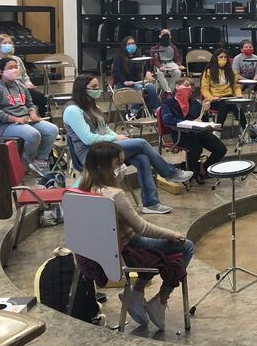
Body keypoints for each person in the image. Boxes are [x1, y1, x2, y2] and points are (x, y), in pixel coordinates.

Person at [78, 141, 194, 331]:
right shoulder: (114, 195)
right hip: (130, 246)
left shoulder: (82, 190)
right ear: (105, 166)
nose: (121, 168)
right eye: (118, 164)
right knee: (186, 245)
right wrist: (172, 233)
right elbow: (141, 228)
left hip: (101, 251)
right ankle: (161, 300)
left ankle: (137, 291)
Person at [63, 74, 192, 214]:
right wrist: (115, 138)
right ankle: (170, 173)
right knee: (141, 143)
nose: (98, 89)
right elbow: (88, 139)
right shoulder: (72, 110)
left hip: (105, 148)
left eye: (98, 86)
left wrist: (117, 137)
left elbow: (105, 129)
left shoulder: (91, 106)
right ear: (82, 89)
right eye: (94, 87)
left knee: (142, 158)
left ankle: (150, 203)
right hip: (90, 155)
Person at [0, 57, 59, 175]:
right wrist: (17, 119)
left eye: (16, 67)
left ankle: (40, 160)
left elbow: (30, 103)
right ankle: (28, 158)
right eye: (10, 68)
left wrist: (33, 113)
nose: (14, 70)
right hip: (4, 125)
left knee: (52, 129)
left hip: (26, 120)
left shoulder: (20, 85)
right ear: (1, 72)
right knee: (33, 134)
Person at [160, 77, 227, 184]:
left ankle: (203, 168)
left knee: (221, 149)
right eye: (186, 85)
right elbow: (167, 120)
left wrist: (204, 112)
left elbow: (202, 121)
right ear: (177, 86)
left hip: (199, 133)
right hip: (180, 134)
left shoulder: (195, 103)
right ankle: (192, 171)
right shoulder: (168, 103)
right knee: (195, 149)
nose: (188, 88)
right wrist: (189, 122)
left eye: (191, 87)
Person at [0, 34, 48, 115]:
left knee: (42, 98)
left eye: (9, 43)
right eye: (5, 43)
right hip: (3, 89)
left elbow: (24, 75)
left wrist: (28, 83)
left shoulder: (17, 59)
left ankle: (41, 118)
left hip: (20, 88)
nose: (8, 45)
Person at [112, 36, 160, 116]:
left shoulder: (138, 56)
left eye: (133, 43)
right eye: (129, 44)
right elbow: (117, 72)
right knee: (139, 88)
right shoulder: (119, 57)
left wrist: (147, 72)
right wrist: (125, 81)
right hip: (123, 83)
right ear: (124, 46)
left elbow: (143, 68)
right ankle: (132, 112)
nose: (131, 45)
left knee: (150, 86)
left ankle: (156, 111)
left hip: (136, 82)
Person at [200, 48, 246, 130]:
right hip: (215, 99)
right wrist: (211, 98)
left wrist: (238, 93)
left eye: (225, 57)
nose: (223, 59)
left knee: (236, 106)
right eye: (221, 57)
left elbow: (236, 86)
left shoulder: (231, 71)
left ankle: (245, 130)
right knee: (225, 105)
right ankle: (218, 131)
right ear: (215, 58)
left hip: (229, 97)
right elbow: (204, 89)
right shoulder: (208, 71)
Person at [231, 39, 257, 117]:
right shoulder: (237, 59)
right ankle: (238, 111)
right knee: (237, 86)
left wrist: (254, 80)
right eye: (246, 47)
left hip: (253, 80)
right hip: (241, 80)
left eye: (250, 47)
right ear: (241, 49)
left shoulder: (256, 58)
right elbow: (236, 74)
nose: (249, 48)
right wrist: (247, 81)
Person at [148, 29, 184, 94]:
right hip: (160, 65)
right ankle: (167, 91)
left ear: (170, 36)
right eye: (164, 34)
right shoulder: (154, 48)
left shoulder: (173, 47)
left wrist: (180, 65)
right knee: (159, 73)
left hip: (171, 64)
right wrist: (160, 66)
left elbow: (177, 59)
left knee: (178, 72)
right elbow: (154, 60)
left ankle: (169, 92)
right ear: (160, 36)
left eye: (167, 34)